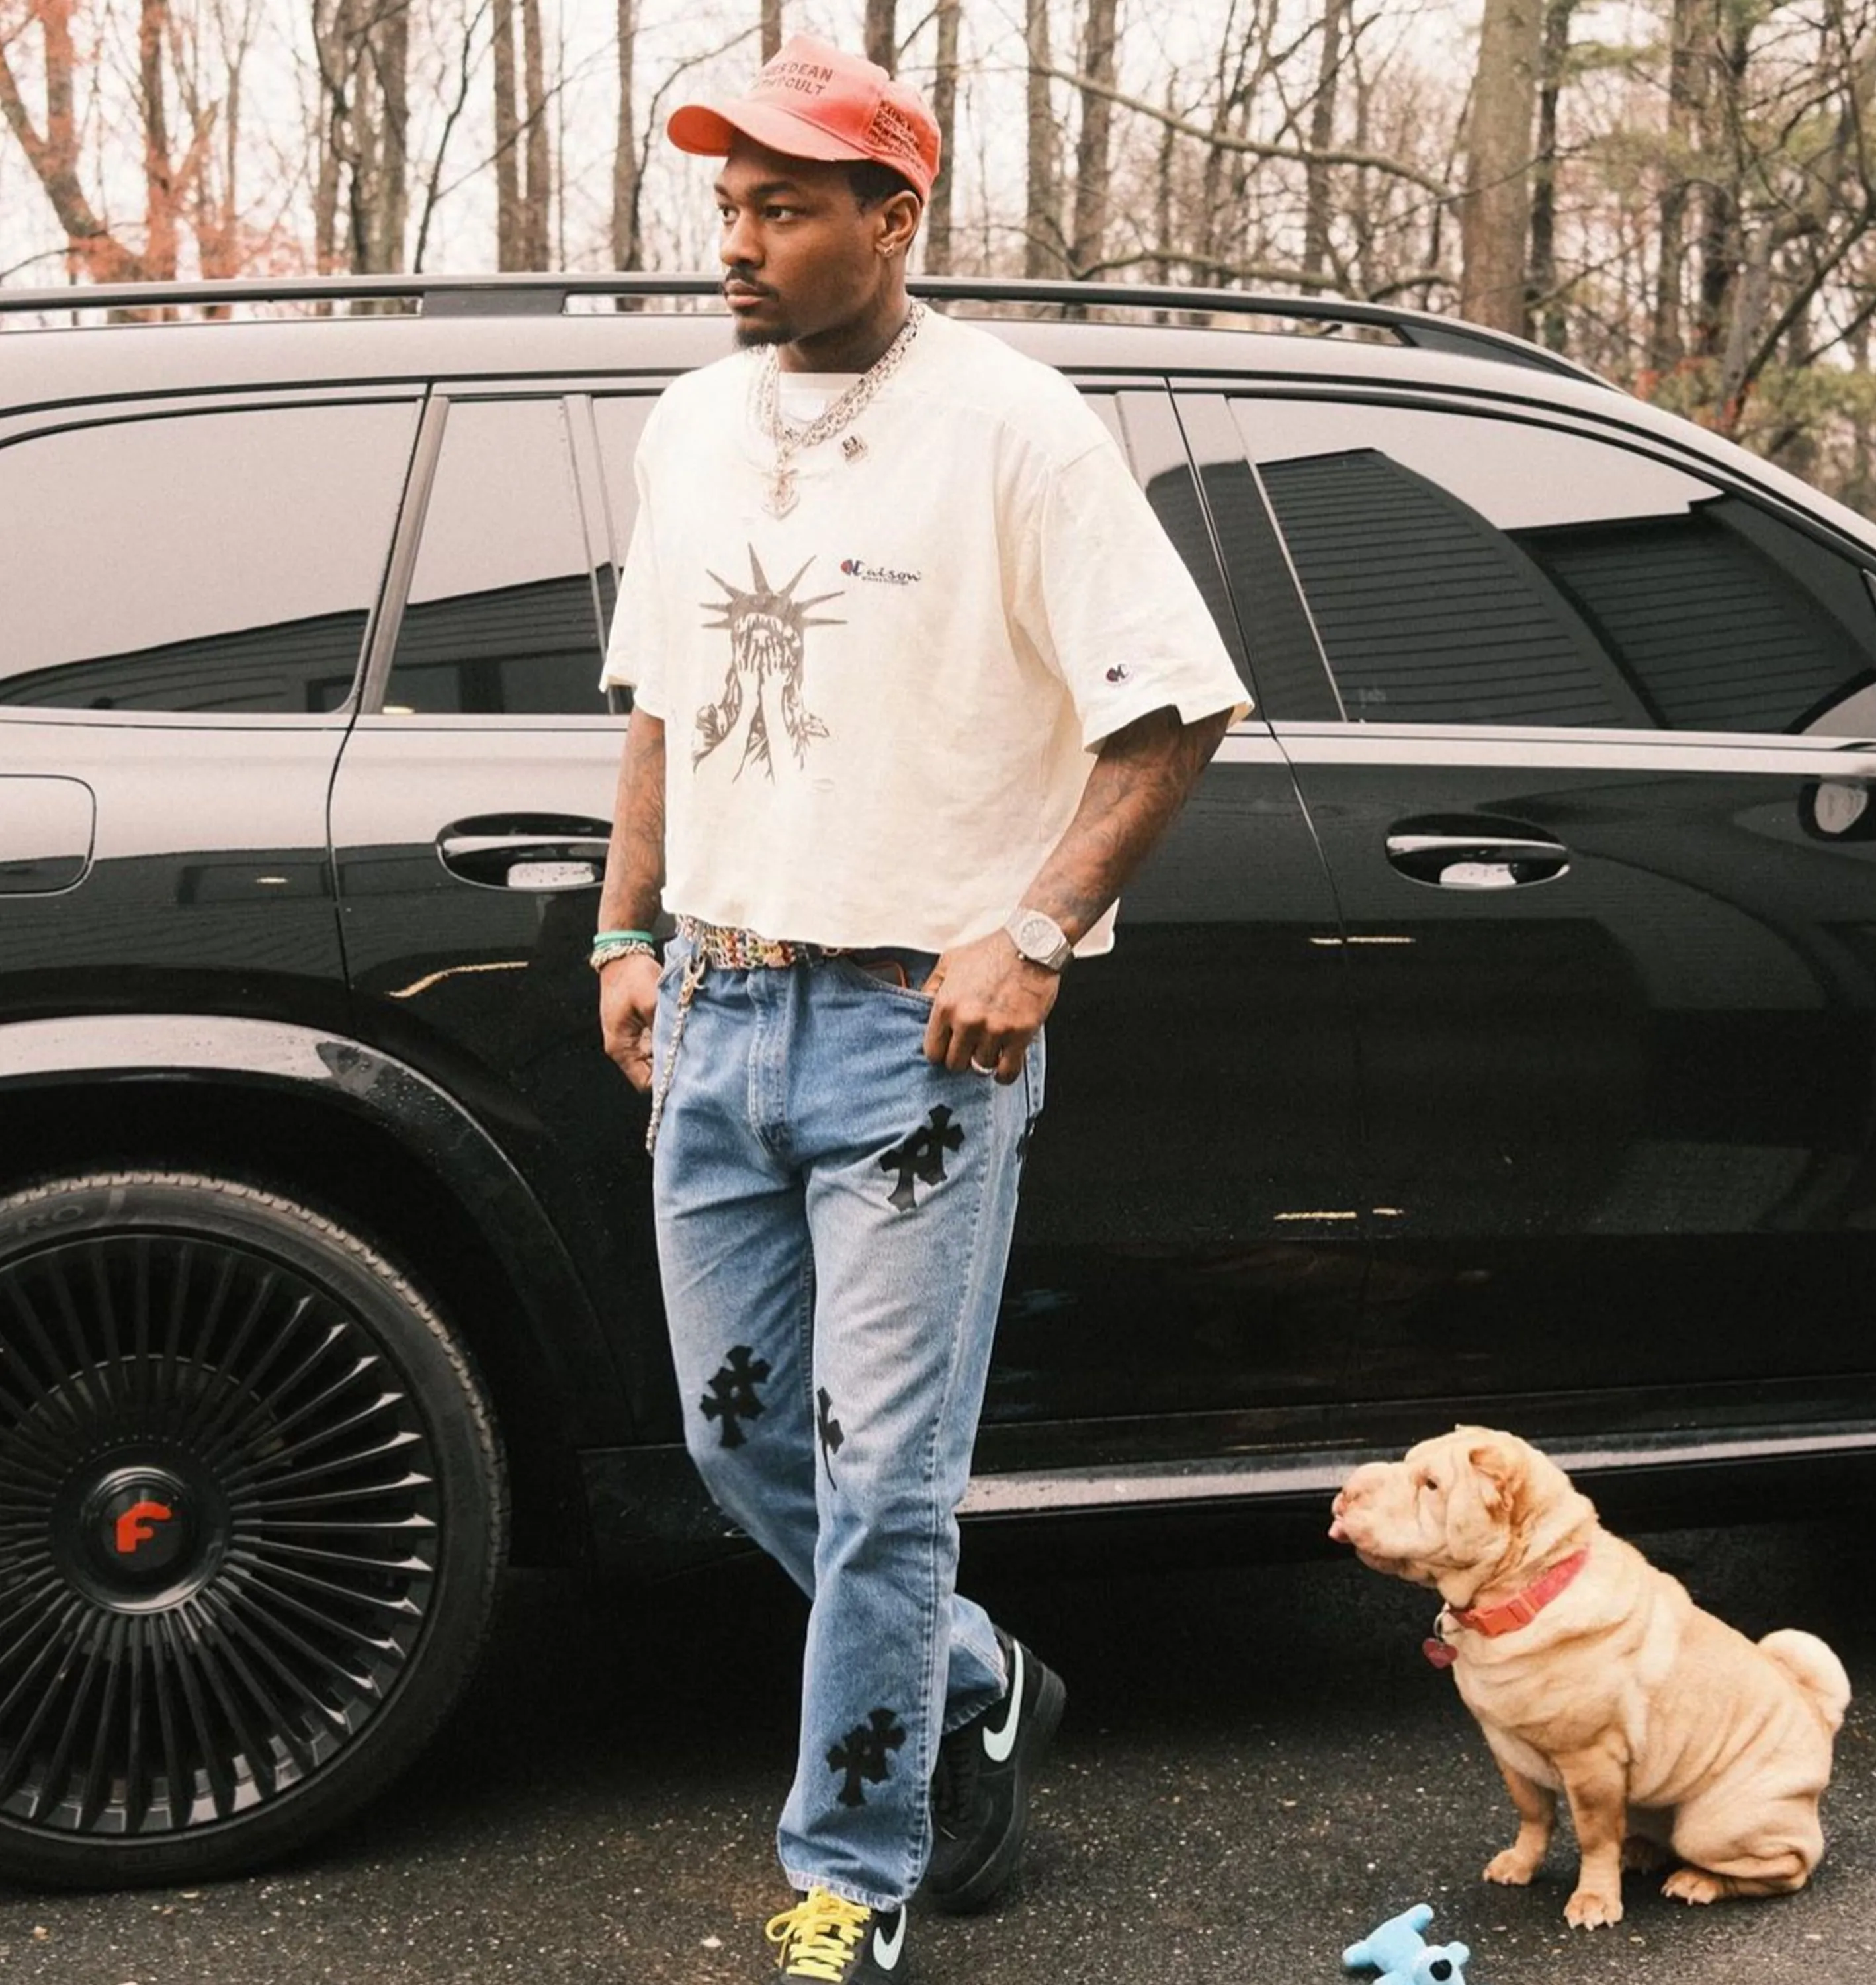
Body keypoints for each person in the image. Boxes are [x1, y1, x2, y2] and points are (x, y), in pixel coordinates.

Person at [593, 33, 1251, 1983]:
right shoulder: (691, 424)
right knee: (738, 1448)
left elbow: (1173, 706)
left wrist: (1033, 931)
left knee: (885, 1479)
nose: (740, 240)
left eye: (784, 205)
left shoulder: (1016, 427)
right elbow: (658, 704)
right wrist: (623, 939)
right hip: (716, 1006)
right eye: (727, 205)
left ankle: (849, 1879)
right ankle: (980, 1676)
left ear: (896, 218)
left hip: (912, 1044)